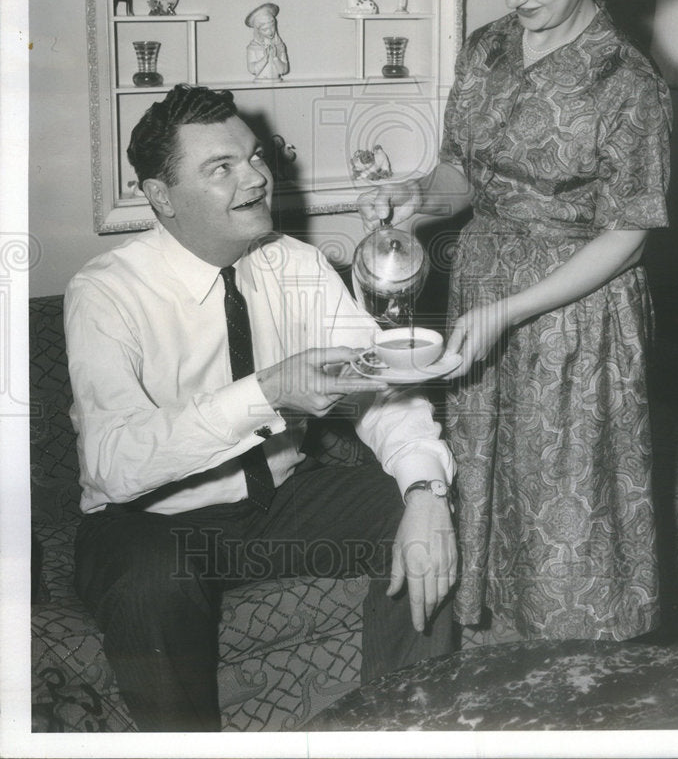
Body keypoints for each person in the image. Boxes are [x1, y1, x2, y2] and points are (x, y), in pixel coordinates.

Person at [66, 84, 457, 732]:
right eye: (220, 168)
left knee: (422, 513)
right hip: (148, 519)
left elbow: (379, 382)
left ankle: (397, 732)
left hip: (275, 501)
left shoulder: (295, 266)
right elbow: (116, 462)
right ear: (161, 197)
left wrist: (423, 487)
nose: (253, 178)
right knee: (151, 583)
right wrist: (267, 392)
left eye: (253, 157)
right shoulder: (105, 293)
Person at [360, 0, 672, 642]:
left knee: (569, 507)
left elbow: (629, 231)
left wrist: (513, 309)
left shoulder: (629, 83)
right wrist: (416, 198)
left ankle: (584, 685)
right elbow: (463, 170)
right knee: (486, 488)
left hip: (576, 316)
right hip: (482, 291)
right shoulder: (486, 49)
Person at [245, 2, 290, 80]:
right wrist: (265, 59)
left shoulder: (280, 45)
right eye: (265, 29)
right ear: (258, 31)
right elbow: (252, 70)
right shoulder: (252, 47)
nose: (270, 32)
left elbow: (284, 70)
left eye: (272, 27)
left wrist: (275, 57)